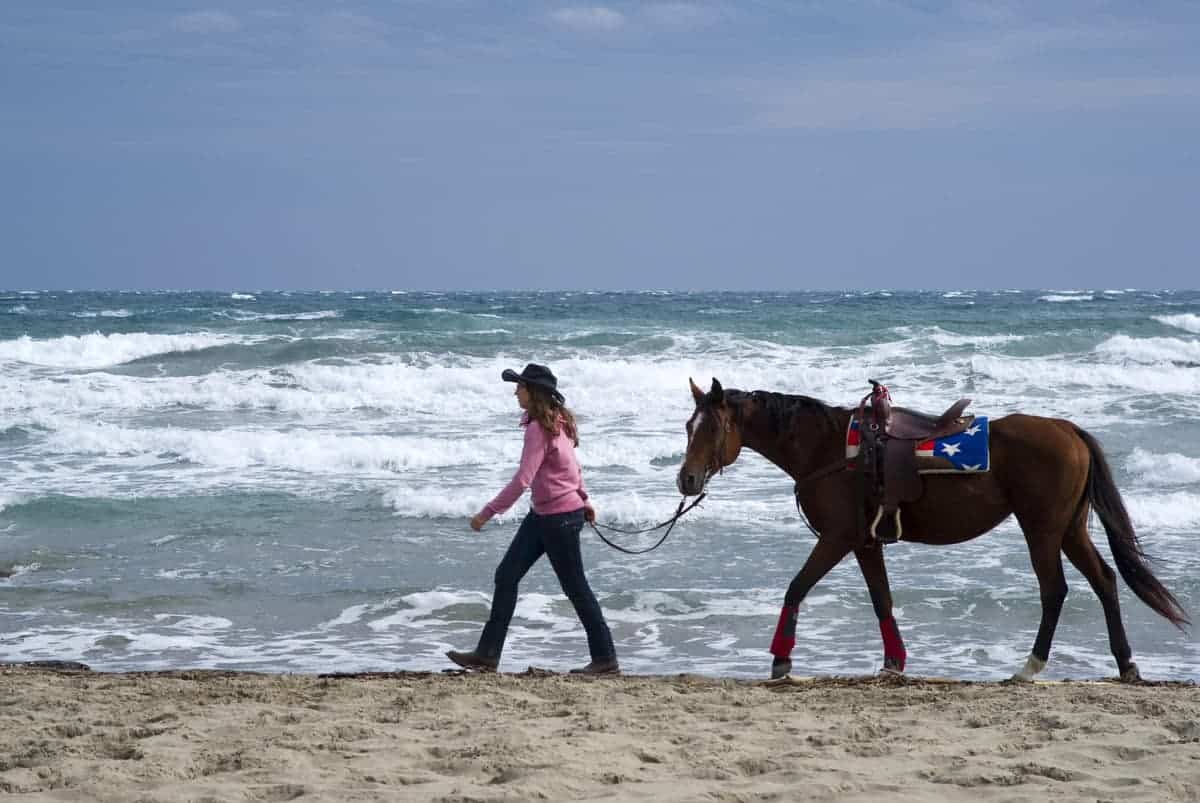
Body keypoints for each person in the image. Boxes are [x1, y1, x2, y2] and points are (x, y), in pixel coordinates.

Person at [446, 363, 620, 675]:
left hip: (558, 520)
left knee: (576, 588)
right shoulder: (555, 421)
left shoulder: (542, 428)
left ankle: (605, 659)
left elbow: (522, 480)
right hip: (545, 515)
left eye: (521, 387)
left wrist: (486, 514)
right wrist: (584, 498)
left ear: (534, 393)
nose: (515, 392)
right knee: (507, 575)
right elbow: (573, 469)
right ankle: (487, 655)